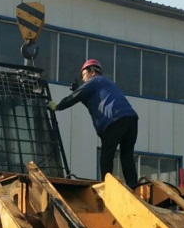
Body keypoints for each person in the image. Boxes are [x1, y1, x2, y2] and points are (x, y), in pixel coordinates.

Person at [48, 59, 139, 188]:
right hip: (131, 120)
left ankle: (108, 186)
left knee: (106, 155)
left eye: (84, 75)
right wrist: (79, 90)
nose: (84, 79)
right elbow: (92, 102)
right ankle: (133, 185)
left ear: (92, 71)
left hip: (114, 120)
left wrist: (57, 107)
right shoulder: (105, 84)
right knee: (127, 156)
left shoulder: (95, 81)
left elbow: (75, 97)